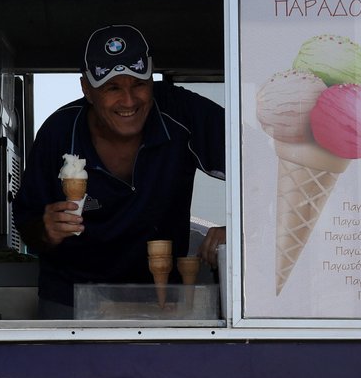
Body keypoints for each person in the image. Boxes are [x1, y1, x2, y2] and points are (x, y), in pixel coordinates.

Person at [13, 25, 227, 317]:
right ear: (87, 89)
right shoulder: (59, 132)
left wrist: (237, 227)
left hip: (162, 295)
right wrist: (46, 230)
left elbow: (260, 160)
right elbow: (28, 222)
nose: (129, 101)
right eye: (112, 88)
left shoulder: (180, 111)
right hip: (72, 298)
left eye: (139, 84)